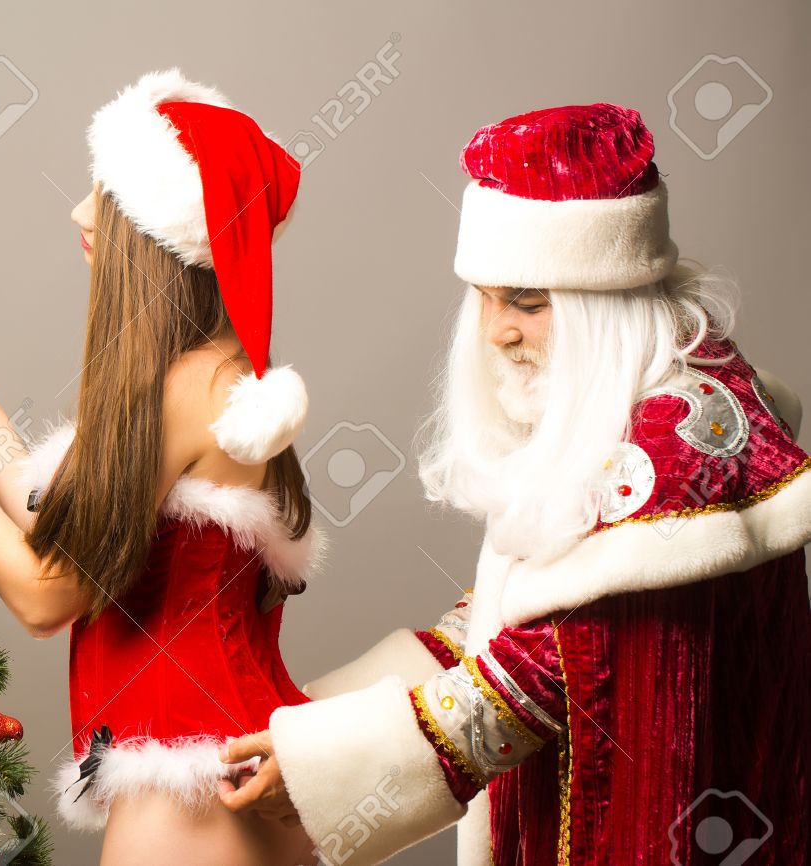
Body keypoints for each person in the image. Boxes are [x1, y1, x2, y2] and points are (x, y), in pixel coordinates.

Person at [217, 104, 811, 865]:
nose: (496, 330)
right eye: (485, 296)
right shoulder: (623, 390)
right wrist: (305, 714)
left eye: (526, 303)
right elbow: (514, 614)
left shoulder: (676, 445)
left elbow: (544, 669)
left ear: (606, 298)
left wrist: (316, 767)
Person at [0, 68, 323, 866]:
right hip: (237, 774)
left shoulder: (184, 389)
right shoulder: (211, 371)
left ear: (156, 235)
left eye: (105, 196)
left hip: (187, 802)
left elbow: (46, 594)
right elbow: (65, 522)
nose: (81, 212)